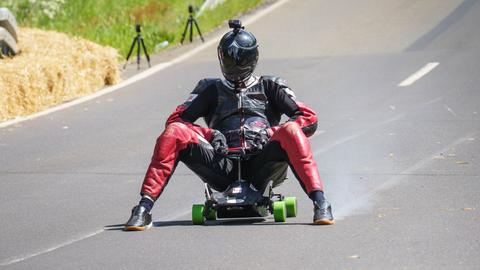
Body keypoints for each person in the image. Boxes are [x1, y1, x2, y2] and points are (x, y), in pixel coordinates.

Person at [125, 20, 334, 231]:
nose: (233, 68)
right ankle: (143, 209)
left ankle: (321, 203)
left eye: (239, 62)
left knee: (291, 130)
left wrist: (271, 132)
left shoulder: (271, 85)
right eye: (228, 60)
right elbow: (176, 121)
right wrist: (208, 134)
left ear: (252, 59)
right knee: (173, 133)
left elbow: (308, 117)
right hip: (222, 163)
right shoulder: (208, 87)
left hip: (262, 163)